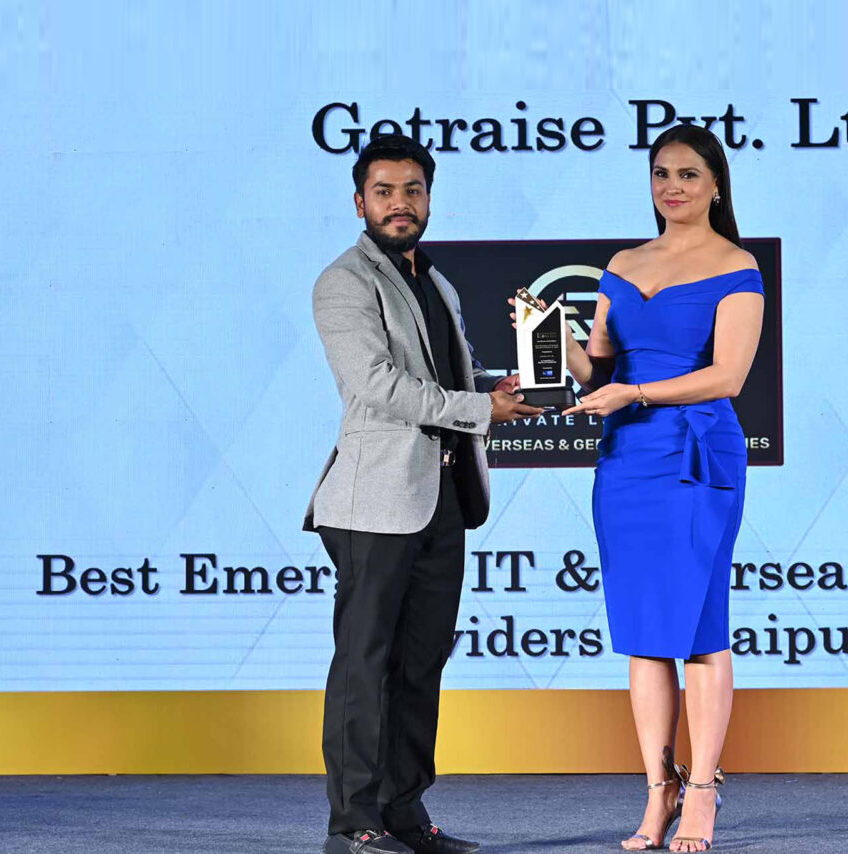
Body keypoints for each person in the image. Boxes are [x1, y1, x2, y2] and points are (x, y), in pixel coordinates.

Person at [305, 134, 543, 854]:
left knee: (421, 664)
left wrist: (497, 390)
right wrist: (479, 410)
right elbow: (377, 385)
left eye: (412, 190)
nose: (399, 203)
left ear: (429, 199)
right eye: (384, 191)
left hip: (442, 496)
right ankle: (354, 823)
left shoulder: (437, 283)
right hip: (374, 502)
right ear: (360, 203)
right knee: (365, 664)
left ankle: (405, 815)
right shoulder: (344, 282)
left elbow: (448, 379)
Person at [557, 125, 764, 852]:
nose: (671, 187)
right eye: (660, 174)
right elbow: (599, 372)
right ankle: (658, 791)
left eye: (687, 174)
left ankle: (702, 791)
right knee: (643, 631)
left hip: (695, 455)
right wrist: (552, 339)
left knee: (701, 627)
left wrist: (636, 393)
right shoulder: (623, 264)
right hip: (627, 460)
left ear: (716, 185)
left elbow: (729, 376)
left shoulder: (737, 266)